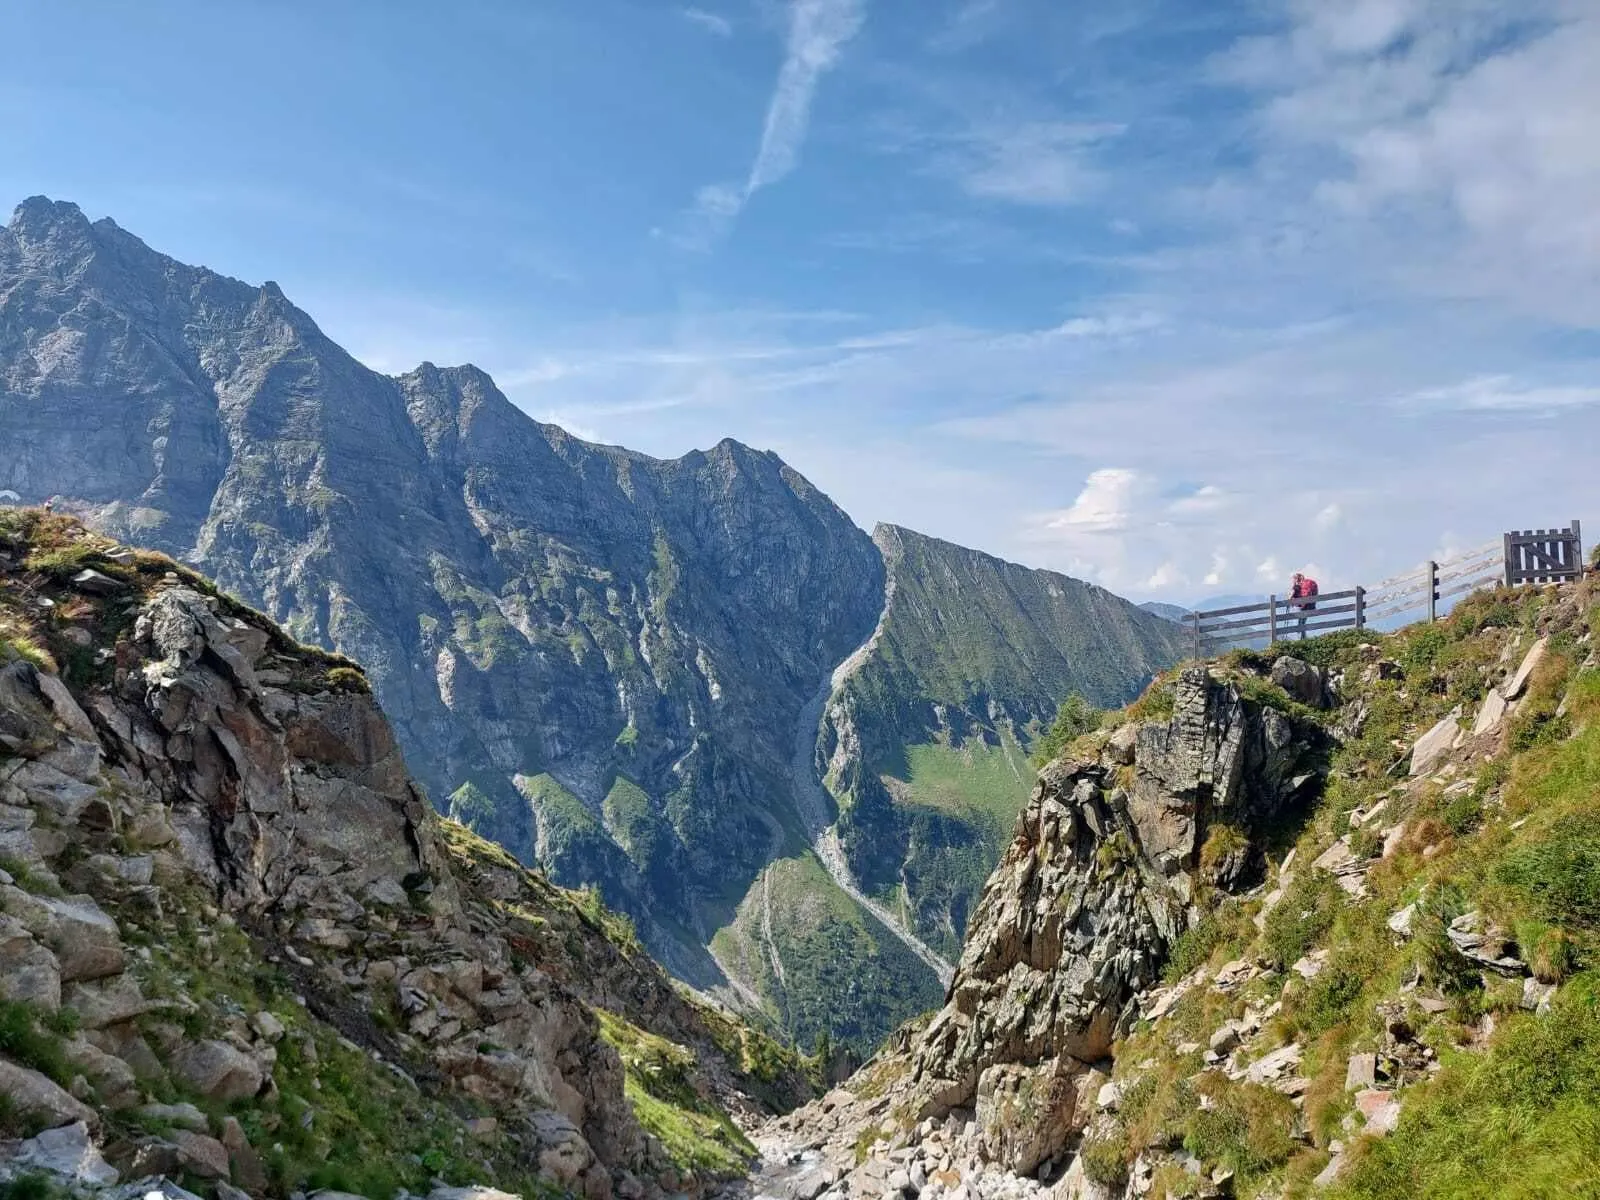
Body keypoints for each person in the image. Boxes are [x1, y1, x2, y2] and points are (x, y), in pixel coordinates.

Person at [1290, 571, 1319, 639]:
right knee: (1302, 624)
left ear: (1296, 579)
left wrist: (1290, 600)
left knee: (1297, 626)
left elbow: (1291, 596)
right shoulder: (1305, 584)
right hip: (1308, 606)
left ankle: (1299, 641)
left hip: (1300, 607)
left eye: (1293, 579)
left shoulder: (1297, 586)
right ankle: (1304, 640)